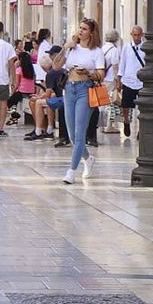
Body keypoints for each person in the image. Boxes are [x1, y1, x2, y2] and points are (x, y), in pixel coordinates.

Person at [52, 18, 106, 184]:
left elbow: (101, 74)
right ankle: (88, 159)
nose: (80, 31)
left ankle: (71, 171)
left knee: (79, 132)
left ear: (91, 32)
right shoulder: (72, 48)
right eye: (80, 28)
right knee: (72, 135)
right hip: (69, 88)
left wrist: (88, 73)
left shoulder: (96, 51)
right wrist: (64, 48)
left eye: (84, 29)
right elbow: (55, 66)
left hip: (85, 89)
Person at [117, 25, 145, 140]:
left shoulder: (146, 47)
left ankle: (141, 128)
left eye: (139, 35)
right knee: (126, 105)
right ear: (132, 35)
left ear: (142, 35)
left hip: (141, 81)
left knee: (142, 107)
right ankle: (126, 121)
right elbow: (122, 63)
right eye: (135, 35)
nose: (137, 37)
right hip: (128, 79)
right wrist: (119, 79)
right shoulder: (127, 47)